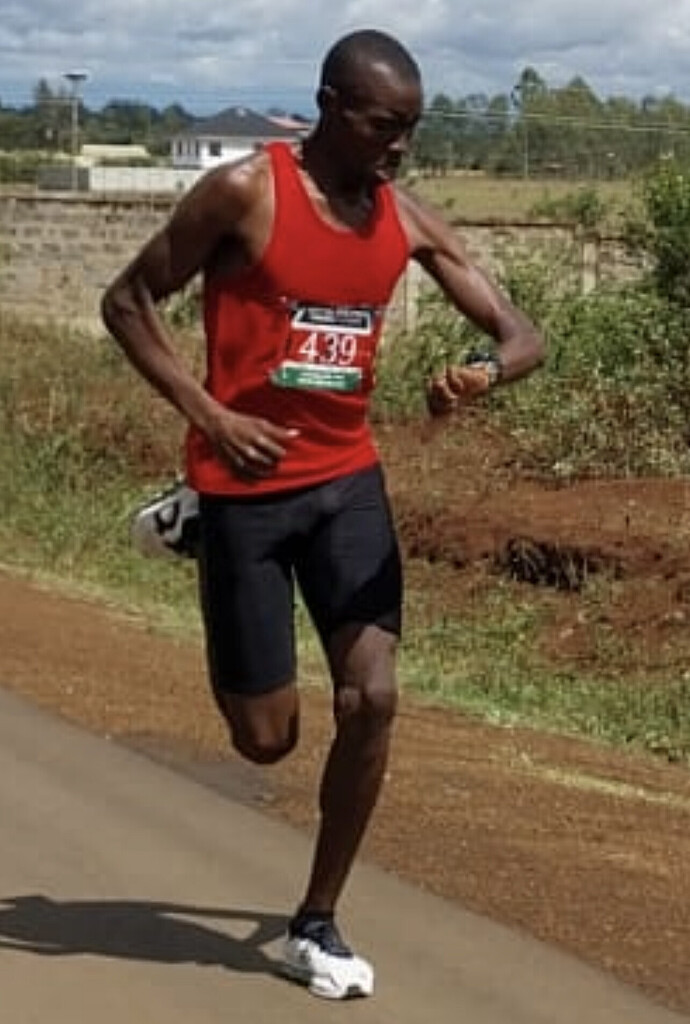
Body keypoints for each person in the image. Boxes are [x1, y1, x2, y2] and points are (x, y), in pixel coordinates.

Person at [101, 28, 545, 1000]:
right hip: (244, 487)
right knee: (266, 739)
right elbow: (128, 301)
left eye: (412, 128)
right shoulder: (243, 193)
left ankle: (316, 920)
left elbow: (523, 333)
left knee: (371, 697)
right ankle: (194, 518)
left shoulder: (405, 218)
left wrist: (484, 369)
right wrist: (211, 417)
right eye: (384, 125)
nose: (400, 146)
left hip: (346, 483)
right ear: (330, 107)